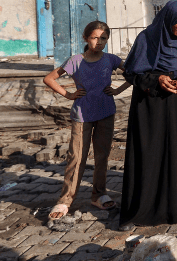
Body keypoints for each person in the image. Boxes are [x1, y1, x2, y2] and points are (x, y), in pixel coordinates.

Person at [119, 0, 177, 231]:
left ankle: (175, 207)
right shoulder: (147, 39)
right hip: (149, 106)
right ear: (168, 20)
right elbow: (132, 74)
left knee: (176, 153)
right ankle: (139, 211)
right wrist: (158, 79)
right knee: (148, 154)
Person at [43, 21, 131, 220]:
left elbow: (133, 74)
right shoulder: (75, 60)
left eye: (103, 38)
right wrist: (68, 94)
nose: (99, 42)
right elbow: (49, 78)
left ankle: (98, 195)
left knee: (102, 156)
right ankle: (65, 200)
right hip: (82, 116)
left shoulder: (111, 59)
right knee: (76, 157)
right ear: (85, 38)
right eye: (94, 37)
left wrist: (118, 90)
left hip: (106, 112)